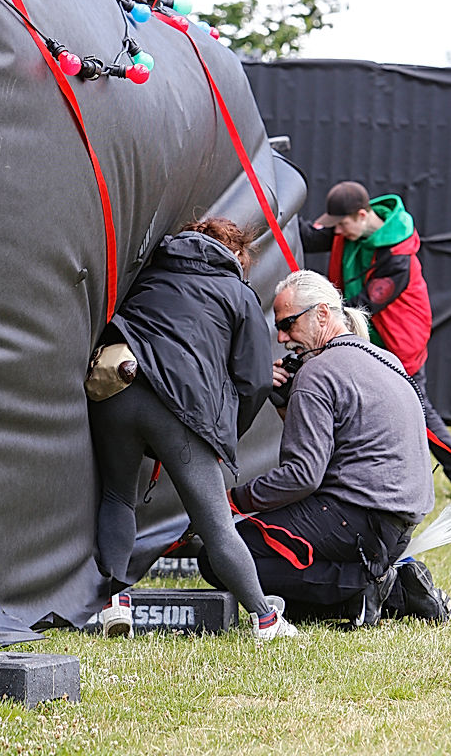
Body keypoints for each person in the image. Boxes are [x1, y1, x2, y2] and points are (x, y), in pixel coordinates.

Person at [199, 270, 451, 628]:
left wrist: (229, 501)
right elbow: (335, 452)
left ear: (322, 314)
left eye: (288, 324)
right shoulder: (387, 360)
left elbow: (302, 476)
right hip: (397, 523)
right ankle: (389, 588)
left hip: (358, 518)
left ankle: (372, 587)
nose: (283, 338)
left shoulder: (317, 373)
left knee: (219, 555)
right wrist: (286, 404)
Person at [88, 217, 297, 643]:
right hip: (181, 409)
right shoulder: (237, 294)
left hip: (116, 390)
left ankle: (114, 603)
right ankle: (265, 620)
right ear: (237, 255)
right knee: (216, 523)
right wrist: (224, 433)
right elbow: (255, 380)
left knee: (116, 496)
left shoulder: (149, 271)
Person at [300, 181, 451, 502]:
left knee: (419, 414)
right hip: (365, 334)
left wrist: (318, 312)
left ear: (362, 214)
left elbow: (363, 304)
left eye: (342, 224)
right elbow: (309, 237)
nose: (337, 232)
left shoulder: (397, 256)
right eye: (335, 225)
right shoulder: (348, 228)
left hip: (399, 343)